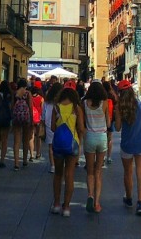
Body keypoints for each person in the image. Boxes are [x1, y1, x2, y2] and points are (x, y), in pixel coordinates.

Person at [114, 80, 141, 216]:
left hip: (127, 144)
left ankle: (129, 198)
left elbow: (117, 128)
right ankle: (140, 203)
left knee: (128, 172)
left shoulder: (119, 107)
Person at [49, 86, 84, 217]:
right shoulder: (76, 108)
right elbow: (80, 128)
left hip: (58, 144)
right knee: (70, 175)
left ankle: (57, 204)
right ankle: (67, 207)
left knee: (58, 174)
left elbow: (52, 127)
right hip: (72, 144)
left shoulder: (56, 107)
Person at [82, 81, 110, 213]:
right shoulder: (105, 103)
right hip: (102, 137)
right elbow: (108, 122)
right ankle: (97, 204)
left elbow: (82, 123)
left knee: (90, 171)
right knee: (99, 171)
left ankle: (90, 195)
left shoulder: (84, 103)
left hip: (89, 137)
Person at [11, 78, 34, 169]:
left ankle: (16, 163)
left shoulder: (15, 93)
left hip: (17, 118)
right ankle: (24, 160)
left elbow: (12, 106)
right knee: (25, 140)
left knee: (16, 142)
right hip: (26, 118)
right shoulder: (28, 93)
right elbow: (30, 107)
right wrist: (31, 119)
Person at [0, 80, 13, 167]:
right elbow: (12, 108)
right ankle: (2, 160)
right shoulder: (10, 96)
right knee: (5, 140)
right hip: (7, 120)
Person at [42, 82, 61, 174]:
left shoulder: (47, 102)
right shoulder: (61, 102)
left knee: (50, 146)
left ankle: (52, 166)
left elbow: (43, 115)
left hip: (48, 124)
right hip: (60, 125)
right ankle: (59, 164)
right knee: (59, 145)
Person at [31, 85, 44, 160]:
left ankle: (31, 153)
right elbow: (42, 109)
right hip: (39, 119)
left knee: (31, 136)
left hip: (31, 119)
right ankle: (38, 153)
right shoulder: (41, 98)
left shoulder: (30, 98)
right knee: (38, 137)